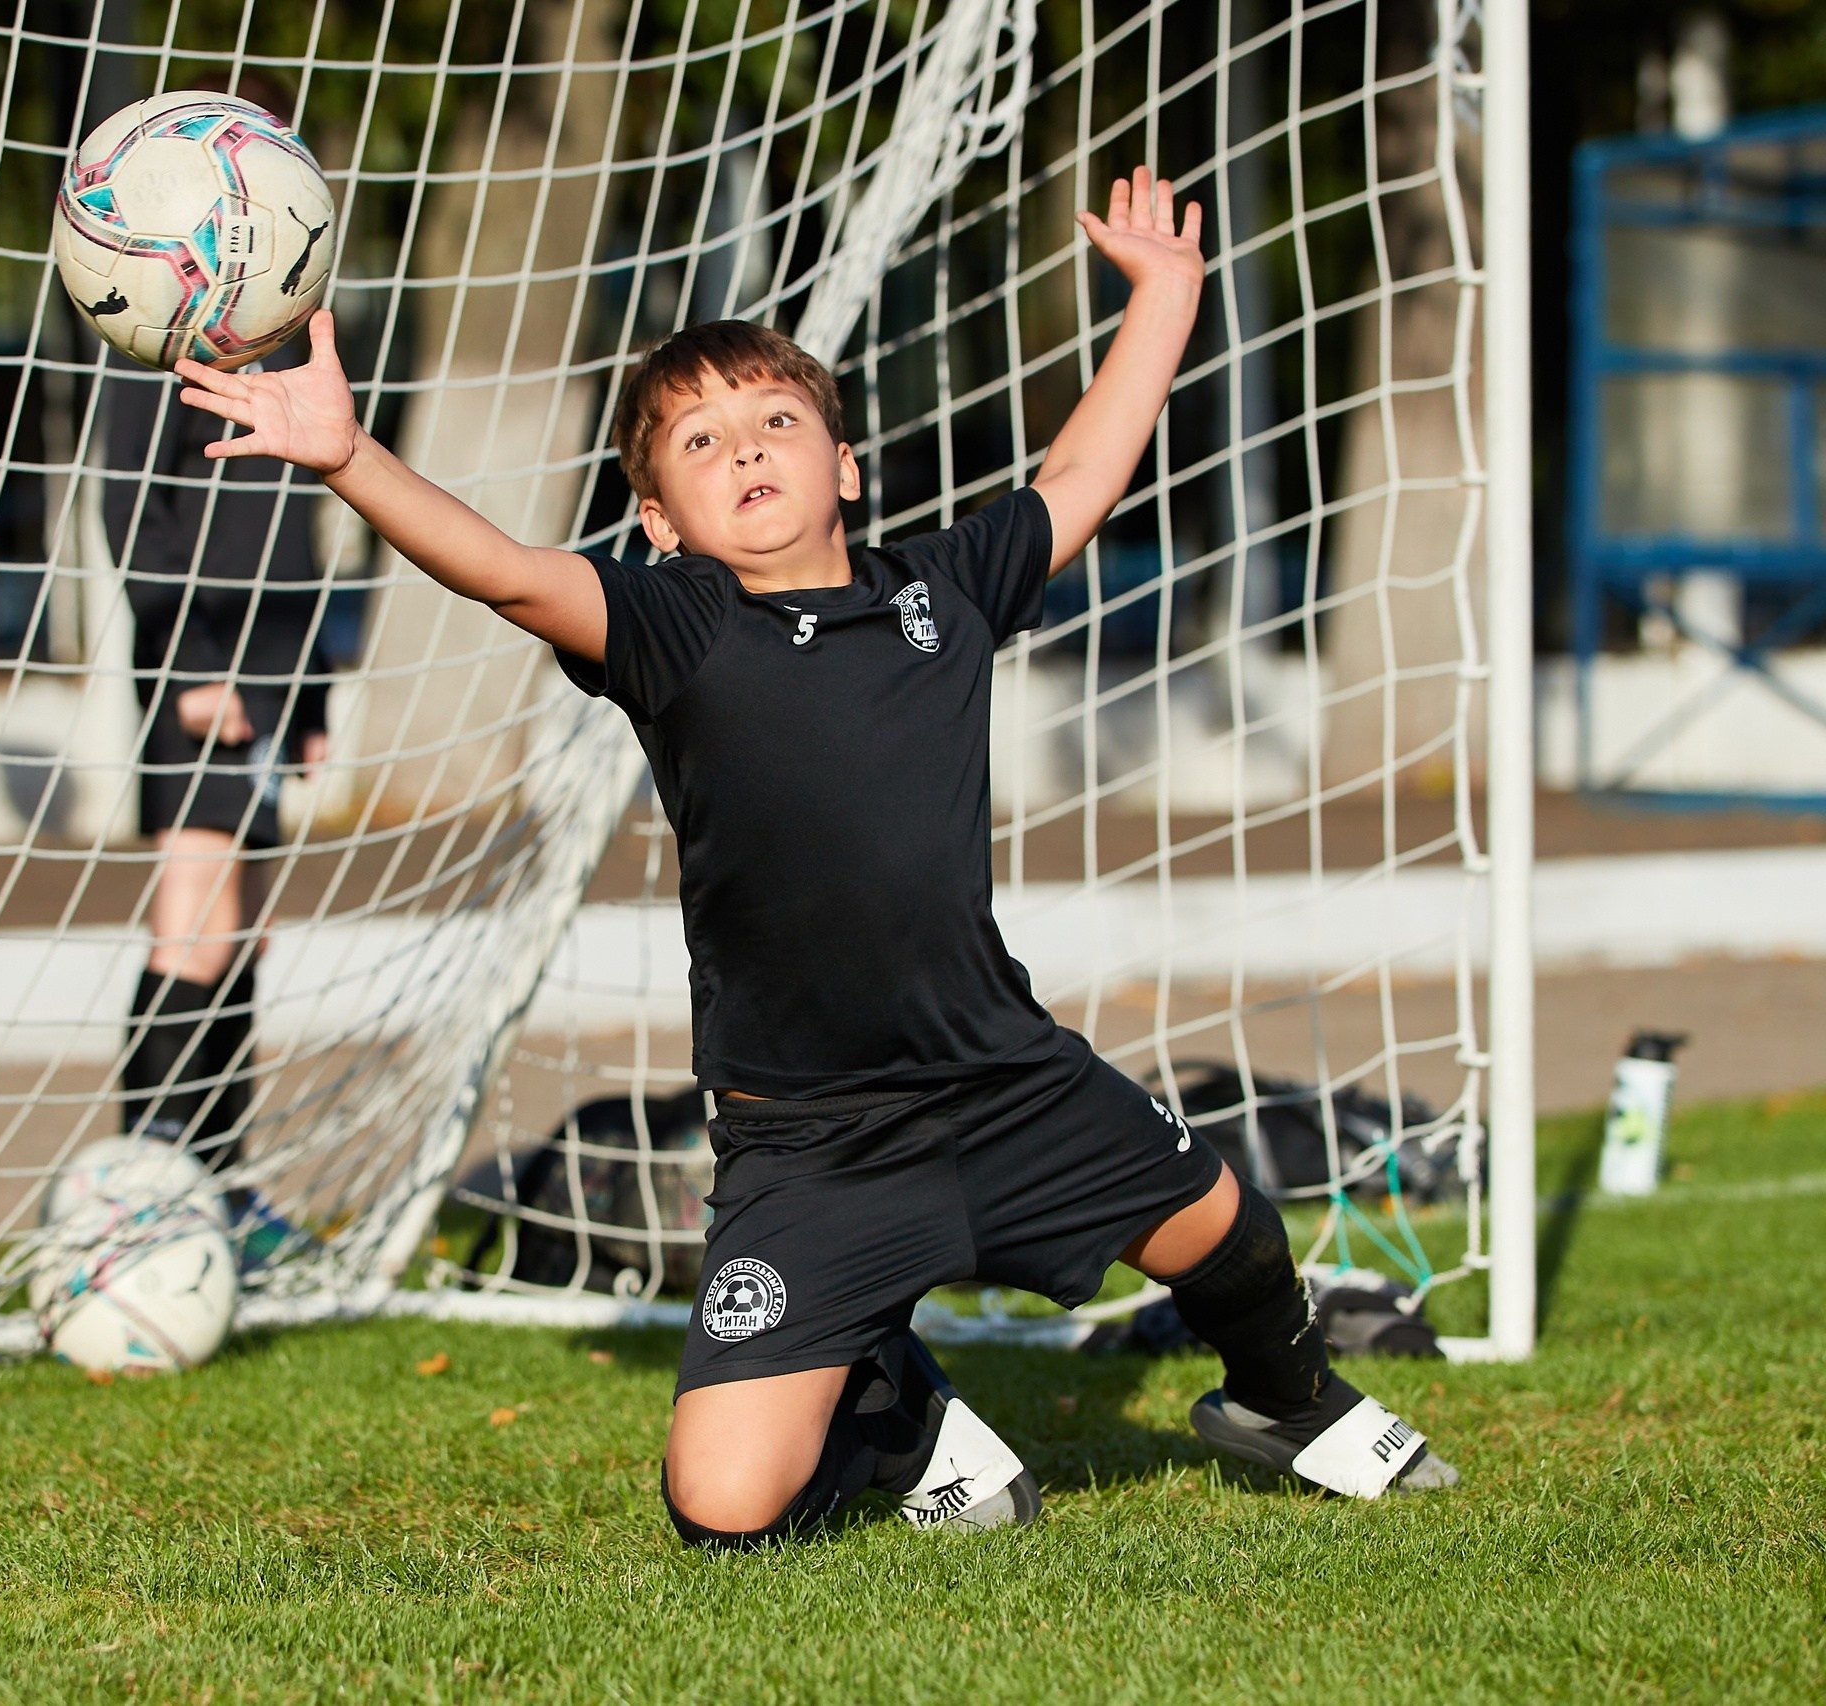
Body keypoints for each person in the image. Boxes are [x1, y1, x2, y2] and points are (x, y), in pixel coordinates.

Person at [169, 168, 1455, 1546]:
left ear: (845, 464)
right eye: (703, 442)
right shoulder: (674, 631)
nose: (748, 449)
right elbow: (502, 567)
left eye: (777, 419)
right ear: (659, 520)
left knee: (1227, 1227)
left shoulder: (940, 596)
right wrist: (351, 457)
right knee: (722, 1507)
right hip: (812, 1146)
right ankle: (901, 1404)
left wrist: (1167, 299)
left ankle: (1287, 1396)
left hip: (1003, 1081)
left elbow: (1079, 471)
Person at [102, 338, 330, 1248]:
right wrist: (188, 661)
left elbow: (293, 535)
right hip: (195, 672)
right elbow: (128, 509)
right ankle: (149, 1185)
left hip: (269, 681)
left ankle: (222, 1180)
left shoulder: (280, 335)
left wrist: (310, 689)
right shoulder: (158, 335)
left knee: (243, 934)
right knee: (192, 925)